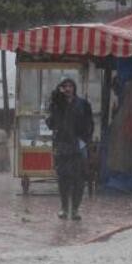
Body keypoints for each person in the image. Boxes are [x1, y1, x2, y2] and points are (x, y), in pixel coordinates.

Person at [46, 78, 94, 221]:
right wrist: (57, 94)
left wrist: (84, 140)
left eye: (70, 86)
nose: (68, 89)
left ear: (74, 88)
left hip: (78, 146)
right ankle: (64, 208)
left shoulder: (83, 104)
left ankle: (75, 209)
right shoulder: (57, 104)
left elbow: (89, 124)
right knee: (63, 178)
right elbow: (51, 123)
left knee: (79, 179)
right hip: (62, 146)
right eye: (64, 86)